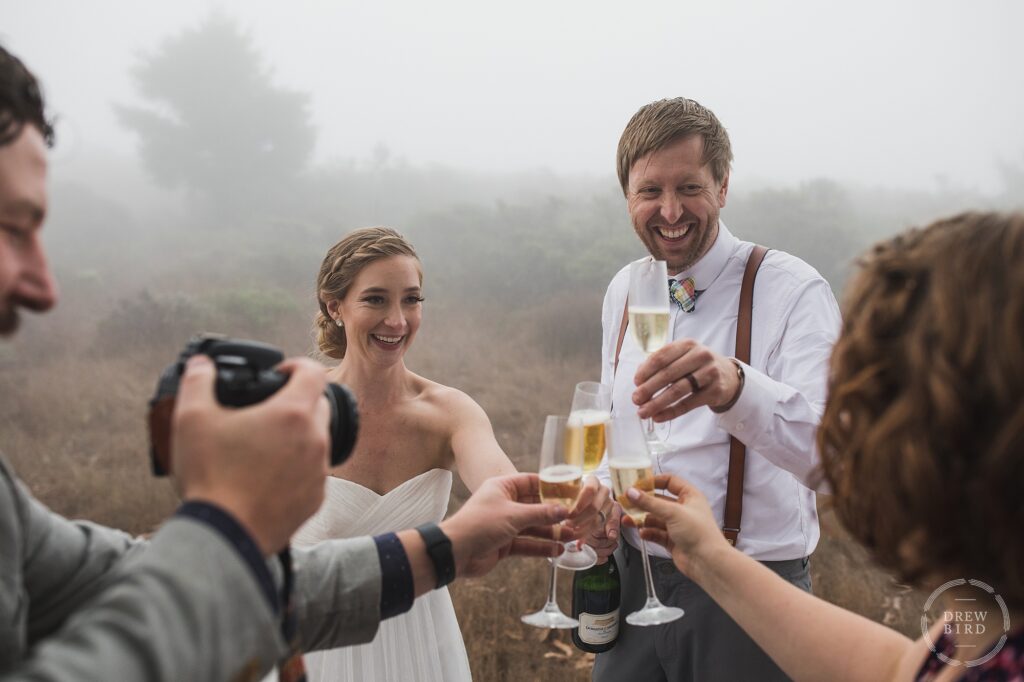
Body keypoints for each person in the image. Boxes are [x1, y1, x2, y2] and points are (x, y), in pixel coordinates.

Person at [0, 43, 573, 681]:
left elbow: (121, 575)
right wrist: (224, 522)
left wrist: (458, 544)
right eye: (11, 227)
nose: (46, 288)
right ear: (334, 307)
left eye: (411, 300)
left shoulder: (9, 508)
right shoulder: (301, 410)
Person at [623, 211, 1024, 680]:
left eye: (870, 404)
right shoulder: (978, 629)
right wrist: (709, 557)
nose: (846, 442)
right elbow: (896, 669)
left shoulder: (793, 287)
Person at [588, 97, 842, 681]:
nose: (670, 211)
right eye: (650, 191)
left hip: (750, 591)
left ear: (723, 186)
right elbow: (615, 429)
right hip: (634, 587)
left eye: (690, 188)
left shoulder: (794, 289)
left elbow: (833, 458)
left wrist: (735, 389)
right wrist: (595, 499)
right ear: (627, 196)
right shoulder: (623, 289)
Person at [298, 226, 609, 681]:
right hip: (314, 641)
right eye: (376, 300)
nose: (398, 321)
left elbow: (502, 487)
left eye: (411, 299)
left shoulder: (450, 412)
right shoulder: (291, 408)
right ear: (334, 306)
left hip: (420, 647)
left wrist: (570, 510)